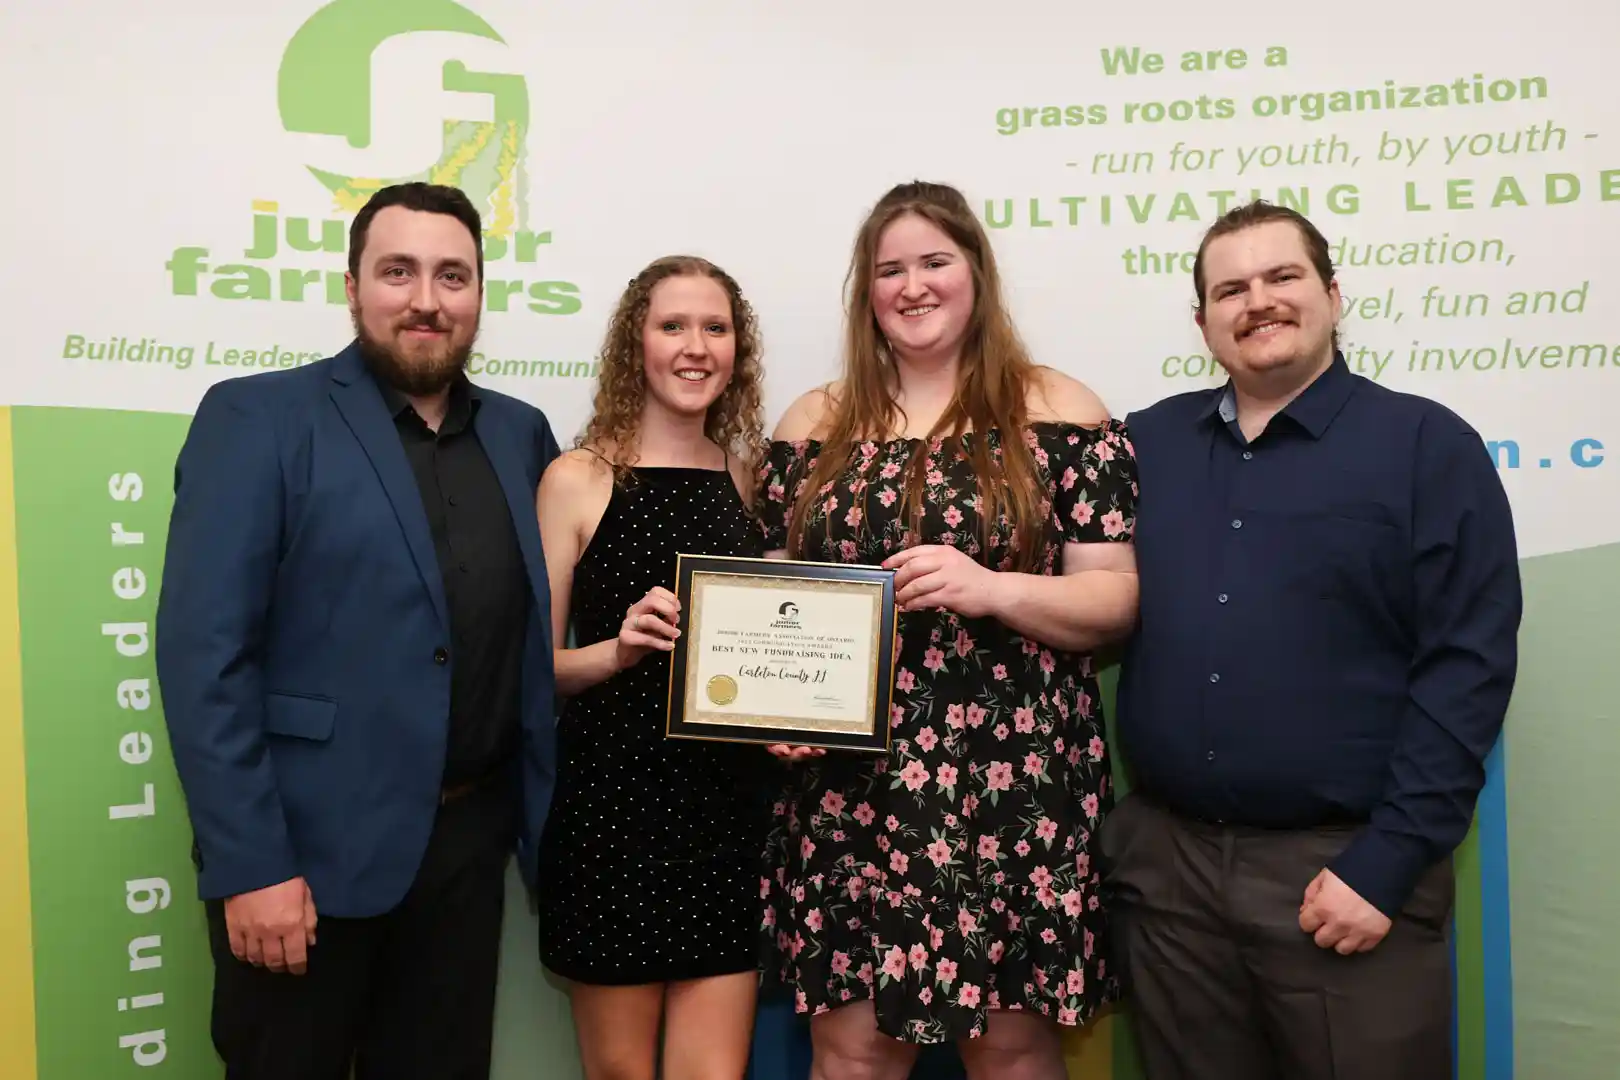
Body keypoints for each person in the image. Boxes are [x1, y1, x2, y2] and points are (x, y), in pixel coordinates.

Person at [1103, 200, 1522, 1080]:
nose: (1258, 301)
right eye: (1231, 289)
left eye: (1282, 276)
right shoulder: (1145, 446)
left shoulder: (1426, 446)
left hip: (1345, 873)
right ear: (1202, 323)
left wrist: (1388, 862)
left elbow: (1468, 667)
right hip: (1169, 883)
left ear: (1333, 295)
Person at [154, 182, 562, 1080]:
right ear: (352, 288)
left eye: (452, 275)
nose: (427, 300)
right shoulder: (258, 419)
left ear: (480, 293)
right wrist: (251, 866)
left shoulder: (522, 436)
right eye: (398, 272)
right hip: (303, 863)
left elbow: (530, 644)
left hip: (467, 857)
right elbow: (204, 659)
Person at [755, 180, 1140, 1080]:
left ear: (976, 273)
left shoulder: (1062, 411)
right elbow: (775, 600)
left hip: (1015, 780)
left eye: (935, 261)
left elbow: (1115, 600)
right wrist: (777, 710)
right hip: (851, 787)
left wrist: (993, 588)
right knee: (852, 1050)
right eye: (890, 269)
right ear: (867, 291)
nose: (913, 285)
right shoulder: (814, 423)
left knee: (1011, 1048)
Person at [534, 255, 774, 1080]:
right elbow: (531, 671)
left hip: (728, 820)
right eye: (673, 325)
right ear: (635, 343)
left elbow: (772, 656)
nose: (695, 347)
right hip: (611, 822)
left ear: (738, 349)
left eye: (716, 327)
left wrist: (790, 723)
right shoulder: (577, 479)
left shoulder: (749, 479)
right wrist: (618, 649)